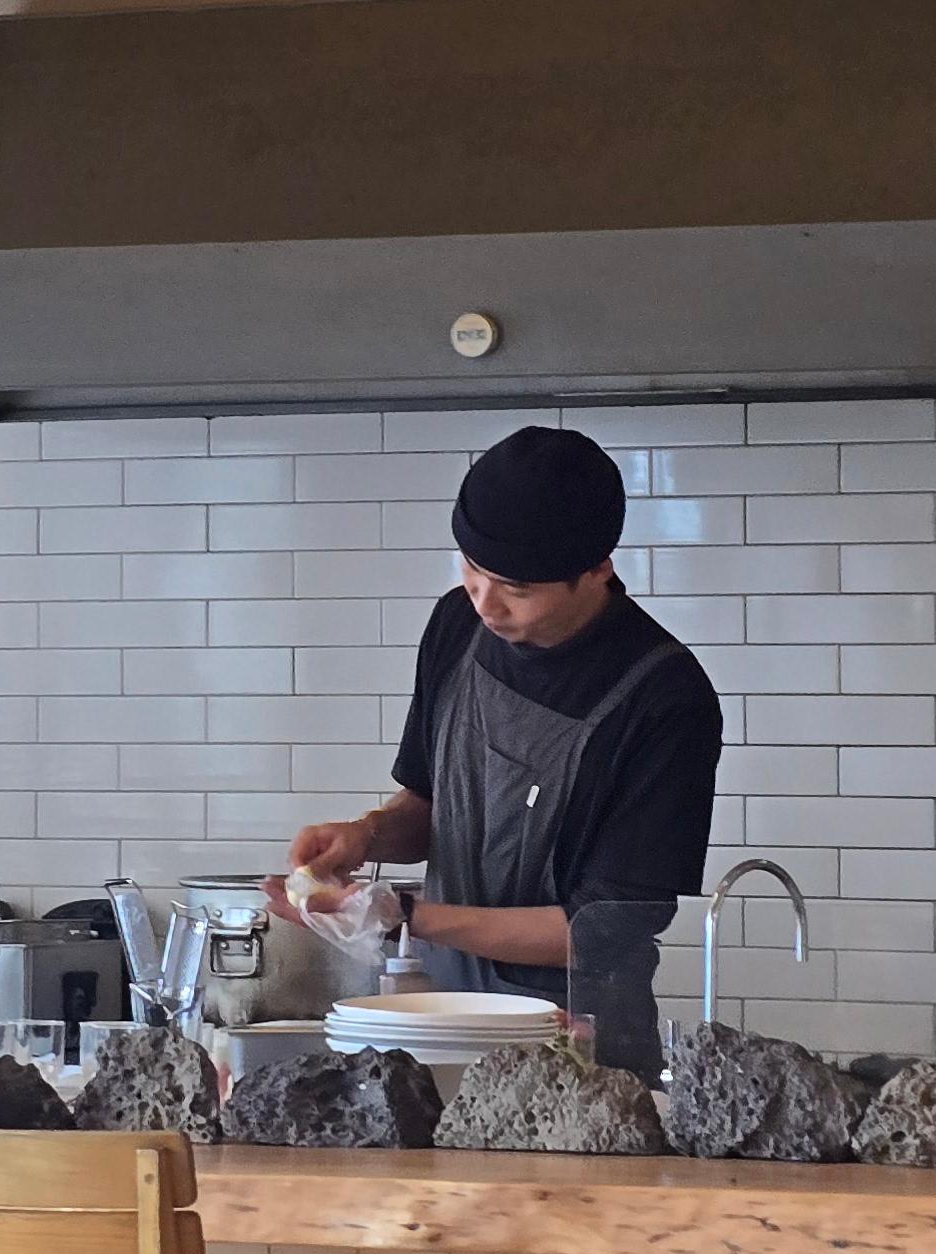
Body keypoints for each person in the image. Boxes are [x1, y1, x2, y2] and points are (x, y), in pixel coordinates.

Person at [271, 423, 724, 1083]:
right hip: (437, 1022)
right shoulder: (456, 625)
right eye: (471, 569)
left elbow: (597, 934)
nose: (485, 603)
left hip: (576, 1049)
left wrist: (404, 915)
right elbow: (430, 808)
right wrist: (366, 835)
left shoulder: (664, 698)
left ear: (597, 569)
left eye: (516, 589)